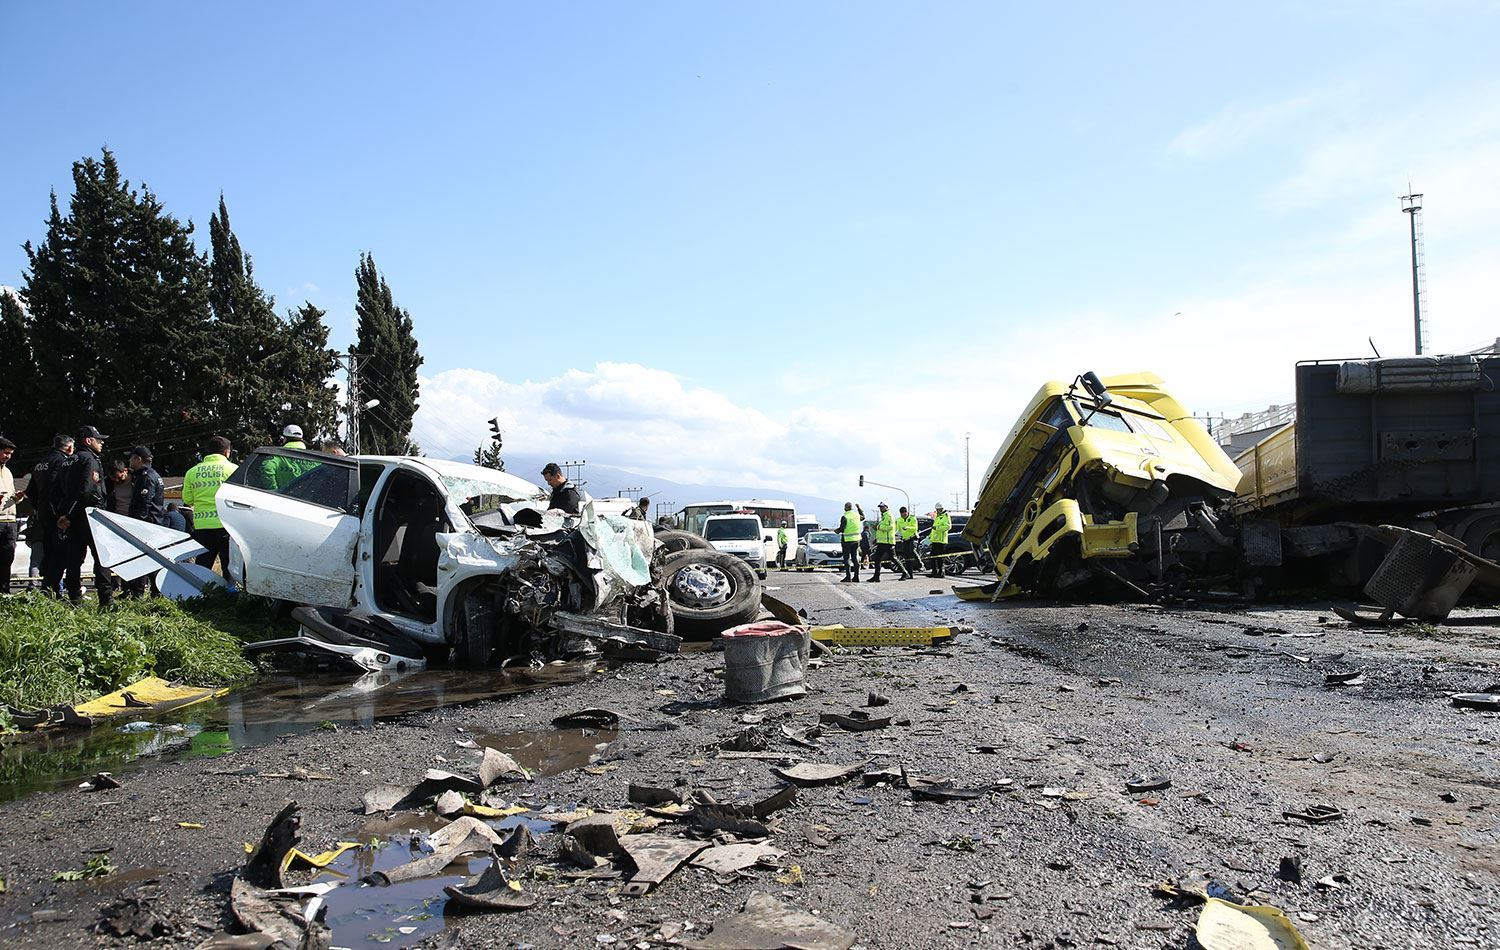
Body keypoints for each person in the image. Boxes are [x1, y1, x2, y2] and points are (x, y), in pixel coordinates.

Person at [55, 425, 114, 608]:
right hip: (89, 515)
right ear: (88, 441)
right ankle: (106, 601)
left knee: (74, 560)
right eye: (98, 439)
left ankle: (75, 599)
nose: (102, 442)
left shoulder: (67, 460)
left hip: (71, 518)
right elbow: (87, 490)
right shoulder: (90, 459)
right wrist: (71, 514)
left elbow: (56, 491)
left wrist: (63, 515)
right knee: (102, 557)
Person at [183, 436, 237, 577]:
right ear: (226, 452)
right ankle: (229, 594)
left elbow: (187, 499)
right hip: (225, 524)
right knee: (228, 565)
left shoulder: (192, 472)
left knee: (203, 566)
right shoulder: (233, 470)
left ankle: (200, 594)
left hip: (202, 526)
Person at [26, 434, 74, 591]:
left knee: (46, 554)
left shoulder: (41, 462)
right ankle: (54, 591)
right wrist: (62, 512)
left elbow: (31, 491)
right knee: (59, 556)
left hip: (42, 516)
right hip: (57, 516)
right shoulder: (62, 461)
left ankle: (47, 589)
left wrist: (39, 509)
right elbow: (58, 489)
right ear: (69, 448)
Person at [258, 424, 319, 491]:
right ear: (301, 439)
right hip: (304, 499)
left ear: (285, 439)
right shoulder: (313, 459)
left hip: (281, 498)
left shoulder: (278, 456)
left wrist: (273, 490)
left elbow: (267, 468)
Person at [870, 501, 912, 582]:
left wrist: (879, 527)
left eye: (882, 507)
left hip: (888, 542)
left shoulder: (889, 516)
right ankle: (876, 576)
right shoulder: (884, 516)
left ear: (886, 507)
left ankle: (905, 572)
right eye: (880, 507)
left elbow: (890, 527)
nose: (880, 509)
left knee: (893, 558)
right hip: (882, 542)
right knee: (877, 558)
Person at [0, 437, 19, 595]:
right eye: (5, 453)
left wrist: (16, 498)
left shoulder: (8, 472)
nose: (8, 456)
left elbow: (10, 494)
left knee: (7, 559)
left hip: (10, 520)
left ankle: (4, 593)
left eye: (10, 454)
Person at [838, 501, 862, 583]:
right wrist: (859, 508)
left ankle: (848, 577)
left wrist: (836, 531)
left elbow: (842, 528)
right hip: (856, 540)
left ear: (845, 508)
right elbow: (863, 517)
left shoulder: (845, 516)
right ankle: (856, 577)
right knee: (855, 558)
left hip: (847, 540)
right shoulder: (857, 515)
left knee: (847, 559)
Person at [895, 505, 920, 577]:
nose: (903, 515)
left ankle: (920, 564)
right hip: (905, 539)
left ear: (907, 512)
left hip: (913, 537)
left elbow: (915, 528)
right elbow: (897, 530)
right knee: (907, 556)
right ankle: (909, 573)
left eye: (904, 514)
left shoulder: (912, 518)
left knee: (912, 550)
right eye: (902, 514)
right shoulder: (899, 520)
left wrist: (907, 528)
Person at [929, 503, 952, 578]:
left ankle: (941, 572)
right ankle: (934, 571)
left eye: (938, 510)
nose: (937, 511)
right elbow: (933, 528)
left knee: (940, 558)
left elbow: (948, 526)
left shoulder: (945, 516)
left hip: (941, 540)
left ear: (941, 509)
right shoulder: (937, 517)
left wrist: (938, 528)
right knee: (932, 557)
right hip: (935, 540)